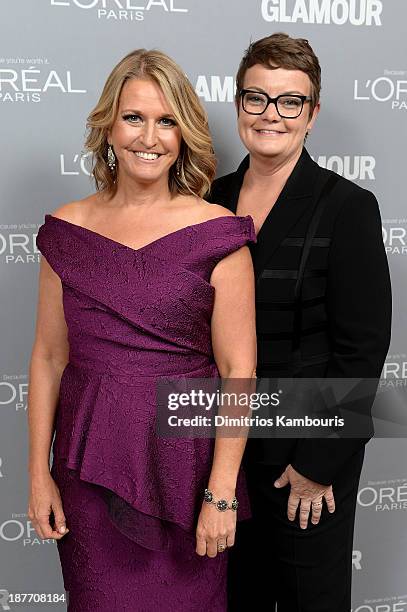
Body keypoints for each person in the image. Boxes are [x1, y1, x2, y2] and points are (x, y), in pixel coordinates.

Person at [27, 48, 257, 611]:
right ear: (108, 125)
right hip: (87, 465)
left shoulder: (218, 232)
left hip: (187, 463)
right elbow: (49, 358)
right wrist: (37, 475)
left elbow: (238, 370)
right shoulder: (66, 229)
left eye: (166, 120)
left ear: (184, 135)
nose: (148, 137)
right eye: (133, 117)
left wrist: (221, 491)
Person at [206, 33, 392, 611]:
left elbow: (361, 351)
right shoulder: (210, 202)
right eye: (257, 98)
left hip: (306, 460)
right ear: (239, 104)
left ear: (311, 114)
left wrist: (316, 465)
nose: (271, 115)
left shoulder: (347, 206)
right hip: (225, 453)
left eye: (290, 101)